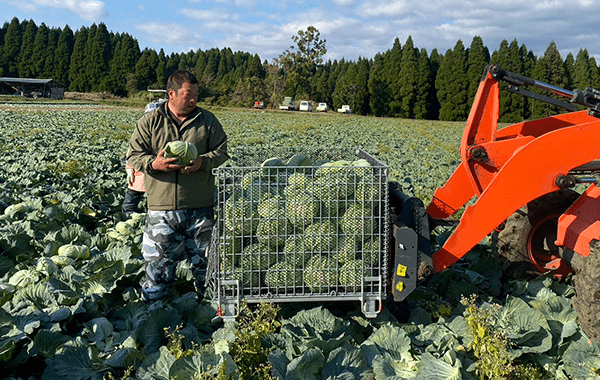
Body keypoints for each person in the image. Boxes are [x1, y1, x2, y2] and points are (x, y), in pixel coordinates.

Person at [126, 69, 229, 302]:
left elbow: (222, 152)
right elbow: (133, 154)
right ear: (170, 93)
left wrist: (203, 162)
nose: (193, 100)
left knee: (208, 266)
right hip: (161, 209)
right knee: (157, 266)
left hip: (200, 207)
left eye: (196, 95)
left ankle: (210, 313)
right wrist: (155, 164)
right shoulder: (151, 121)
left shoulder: (207, 120)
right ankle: (154, 314)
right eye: (187, 95)